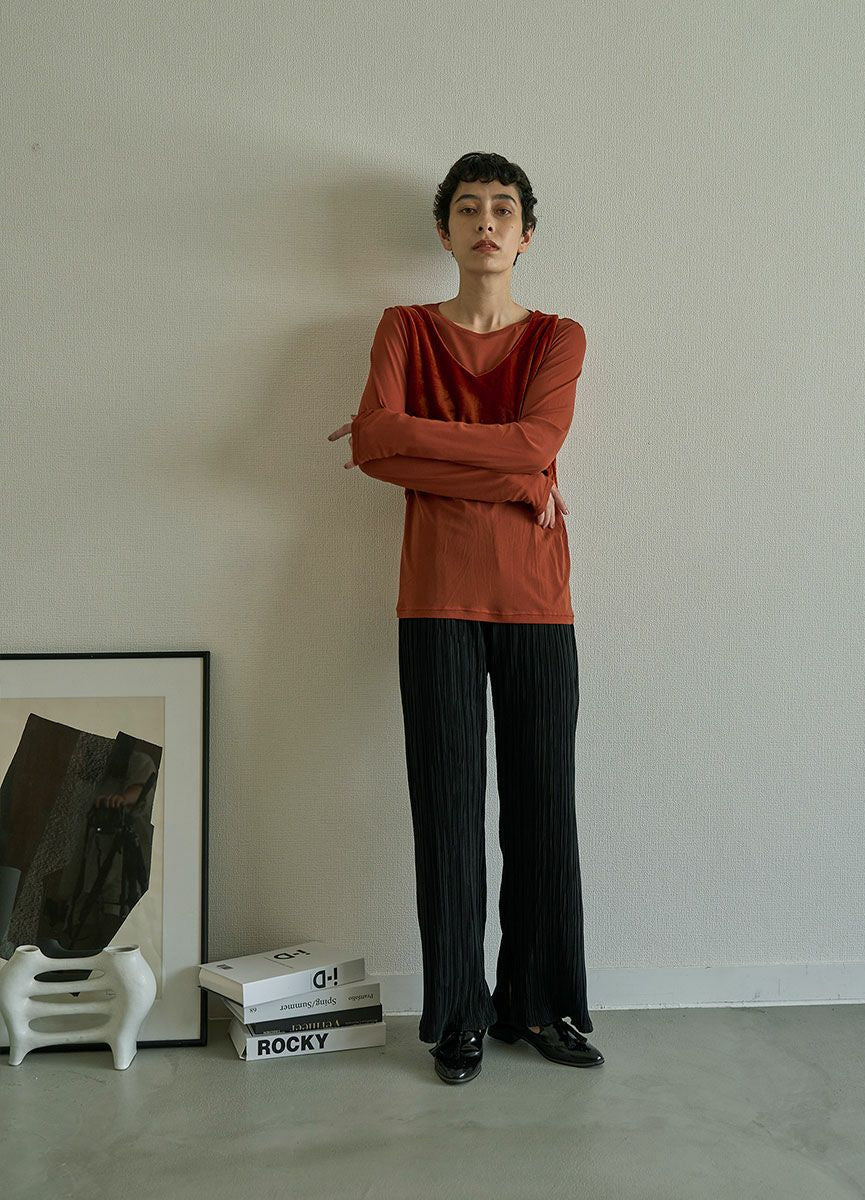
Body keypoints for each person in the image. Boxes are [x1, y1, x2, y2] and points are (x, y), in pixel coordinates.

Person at [329, 151, 604, 1084]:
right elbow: (374, 455)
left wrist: (414, 438)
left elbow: (535, 440)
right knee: (447, 813)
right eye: (468, 208)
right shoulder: (403, 328)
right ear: (444, 232)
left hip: (538, 599)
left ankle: (538, 1002)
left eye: (504, 209)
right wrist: (516, 478)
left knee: (543, 812)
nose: (487, 222)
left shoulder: (559, 337)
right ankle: (459, 1012)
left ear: (526, 235)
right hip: (435, 596)